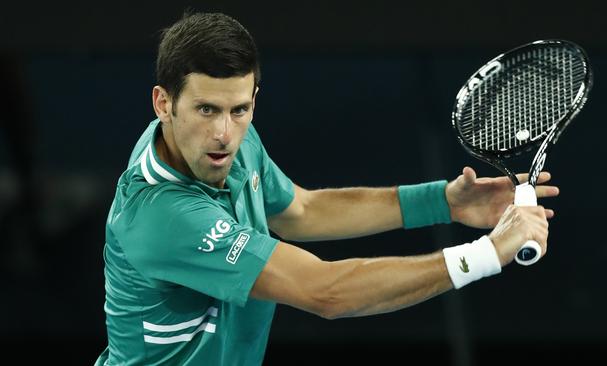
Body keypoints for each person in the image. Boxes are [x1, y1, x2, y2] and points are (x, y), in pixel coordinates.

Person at [95, 11, 558, 366]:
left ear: (253, 99)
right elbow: (327, 293)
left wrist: (441, 201)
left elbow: (299, 210)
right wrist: (486, 253)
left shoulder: (224, 142)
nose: (224, 133)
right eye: (206, 110)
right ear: (163, 103)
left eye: (238, 110)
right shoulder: (162, 215)